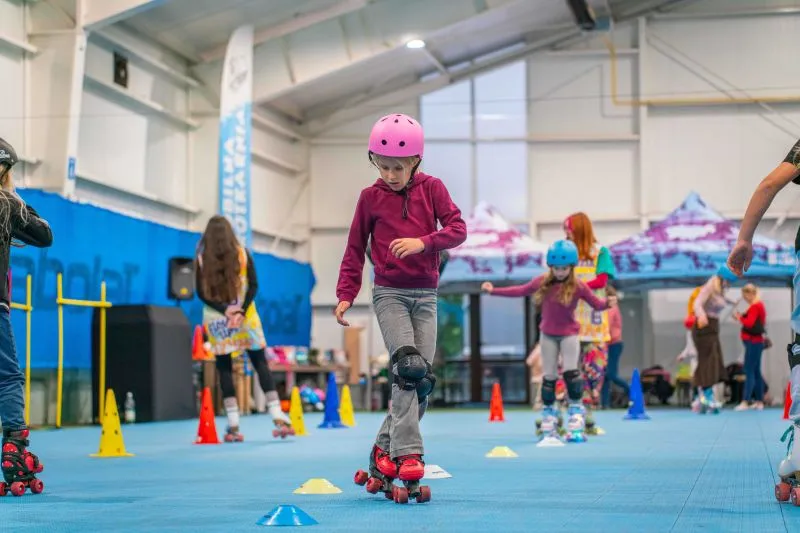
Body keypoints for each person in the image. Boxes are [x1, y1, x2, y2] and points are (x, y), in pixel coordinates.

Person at [337, 113, 466, 501]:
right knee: (408, 367)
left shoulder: (433, 189)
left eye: (398, 167)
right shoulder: (370, 197)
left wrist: (424, 242)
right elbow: (355, 247)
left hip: (425, 294)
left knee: (420, 381)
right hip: (389, 292)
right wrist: (346, 293)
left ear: (416, 162)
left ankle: (382, 450)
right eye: (383, 166)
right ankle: (409, 454)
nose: (390, 175)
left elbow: (457, 229)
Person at [482, 239, 608, 445]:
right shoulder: (542, 282)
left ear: (571, 267)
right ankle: (549, 417)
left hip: (569, 335)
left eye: (564, 268)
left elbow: (596, 304)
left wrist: (607, 303)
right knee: (548, 378)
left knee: (571, 374)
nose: (560, 272)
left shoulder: (578, 286)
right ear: (550, 267)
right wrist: (493, 290)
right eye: (556, 268)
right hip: (548, 335)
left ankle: (576, 416)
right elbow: (520, 290)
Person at [195, 215, 292, 442]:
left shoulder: (201, 259)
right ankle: (277, 415)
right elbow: (254, 286)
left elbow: (201, 293)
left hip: (218, 321)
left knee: (224, 367)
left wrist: (225, 311)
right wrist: (240, 311)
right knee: (259, 362)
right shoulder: (242, 254)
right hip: (245, 318)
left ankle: (233, 423)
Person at [0, 138, 52, 495]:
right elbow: (44, 234)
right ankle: (15, 451)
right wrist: (14, 196)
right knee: (7, 378)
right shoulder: (6, 205)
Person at [563, 212, 616, 432]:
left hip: (594, 323)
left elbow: (602, 280)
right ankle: (569, 414)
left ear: (578, 229)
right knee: (568, 371)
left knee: (594, 370)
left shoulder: (600, 252)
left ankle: (587, 412)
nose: (566, 233)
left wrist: (578, 288)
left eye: (568, 229)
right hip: (569, 322)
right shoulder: (566, 253)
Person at [691, 265, 737, 414]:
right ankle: (705, 394)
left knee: (715, 360)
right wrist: (701, 315)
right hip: (704, 327)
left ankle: (703, 395)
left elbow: (721, 301)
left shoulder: (720, 290)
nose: (729, 285)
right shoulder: (709, 287)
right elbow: (697, 303)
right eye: (728, 281)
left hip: (713, 328)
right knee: (708, 360)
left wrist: (733, 302)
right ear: (722, 279)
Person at [732, 283, 767, 411]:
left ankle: (745, 401)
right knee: (756, 371)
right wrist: (741, 315)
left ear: (750, 294)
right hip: (756, 342)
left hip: (753, 342)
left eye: (745, 295)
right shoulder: (758, 305)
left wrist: (739, 317)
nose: (744, 298)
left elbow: (749, 323)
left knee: (749, 370)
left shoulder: (755, 306)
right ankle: (759, 401)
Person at [601, 286, 628, 408]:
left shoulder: (611, 308)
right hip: (608, 344)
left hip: (614, 344)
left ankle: (631, 390)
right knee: (605, 376)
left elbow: (607, 323)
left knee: (611, 374)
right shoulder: (609, 308)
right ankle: (604, 403)